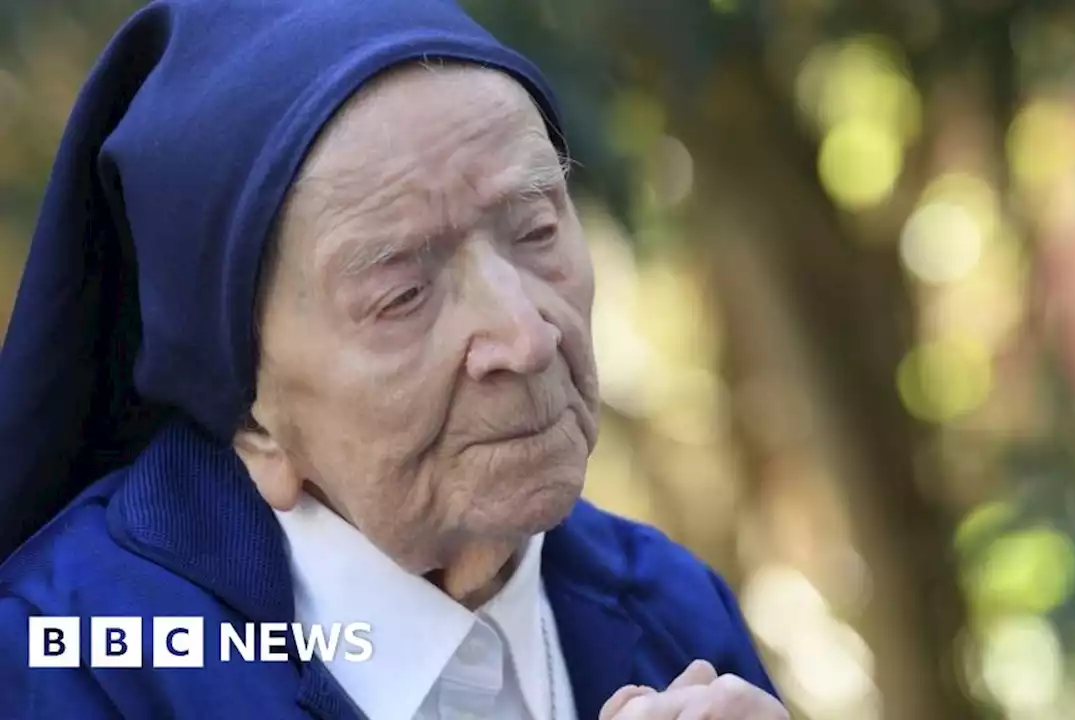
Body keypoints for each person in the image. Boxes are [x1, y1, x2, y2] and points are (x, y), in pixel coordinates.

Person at [0, 1, 789, 718]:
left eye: (537, 231)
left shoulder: (671, 611)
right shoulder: (69, 666)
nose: (526, 336)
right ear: (250, 414)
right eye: (403, 294)